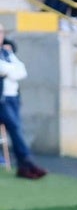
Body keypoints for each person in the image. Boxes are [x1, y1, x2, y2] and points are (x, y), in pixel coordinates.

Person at [0, 24, 47, 179]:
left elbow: (21, 71)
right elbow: (4, 69)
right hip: (3, 99)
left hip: (13, 97)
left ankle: (24, 165)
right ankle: (27, 161)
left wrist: (10, 71)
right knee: (15, 128)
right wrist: (10, 70)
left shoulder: (7, 52)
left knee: (16, 128)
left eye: (1, 32)